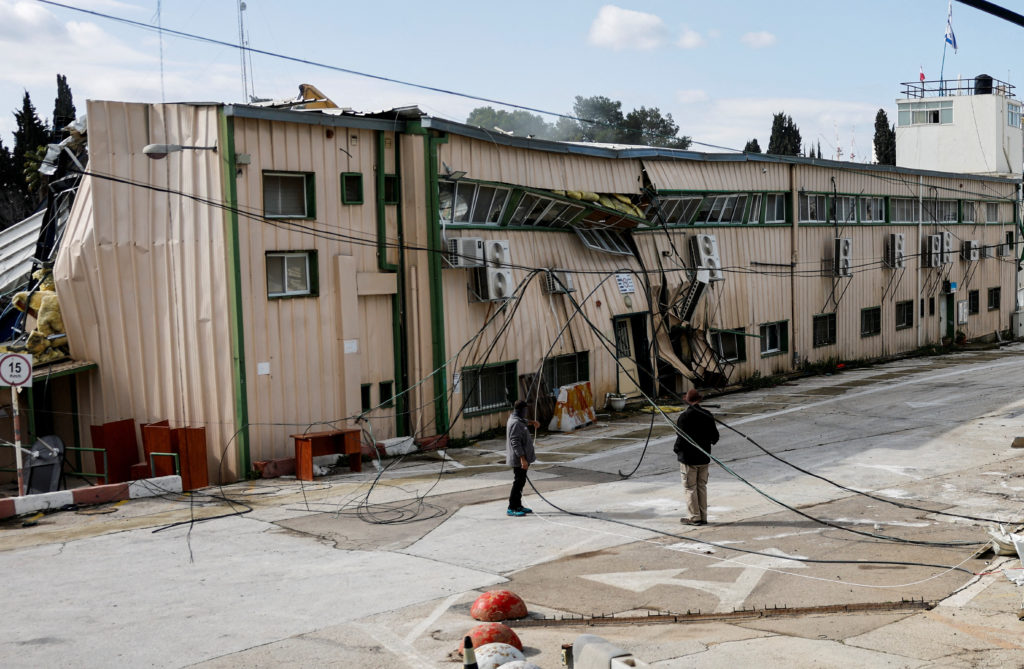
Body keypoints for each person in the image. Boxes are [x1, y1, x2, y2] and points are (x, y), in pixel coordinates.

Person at [673, 388, 719, 525]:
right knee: (701, 487)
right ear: (699, 399)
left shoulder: (684, 417)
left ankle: (694, 517)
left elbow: (680, 439)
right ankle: (703, 516)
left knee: (690, 487)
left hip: (689, 459)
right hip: (704, 457)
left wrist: (677, 450)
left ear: (687, 400)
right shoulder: (707, 415)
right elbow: (715, 437)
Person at [506, 399, 539, 516]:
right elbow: (515, 442)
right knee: (518, 482)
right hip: (519, 460)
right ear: (521, 410)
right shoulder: (516, 423)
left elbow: (523, 421)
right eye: (525, 410)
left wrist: (531, 422)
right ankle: (512, 507)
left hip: (523, 459)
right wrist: (522, 459)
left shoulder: (516, 419)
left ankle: (518, 505)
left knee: (521, 481)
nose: (526, 412)